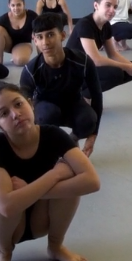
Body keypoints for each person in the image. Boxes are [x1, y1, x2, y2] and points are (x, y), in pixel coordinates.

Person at [0, 81, 100, 261]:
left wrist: (34, 191)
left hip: (38, 220)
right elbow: (6, 207)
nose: (15, 114)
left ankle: (56, 246)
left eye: (18, 104)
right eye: (4, 113)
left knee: (72, 182)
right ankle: (3, 252)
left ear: (31, 104)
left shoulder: (53, 135)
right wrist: (54, 175)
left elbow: (92, 181)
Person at [21, 13, 103, 157]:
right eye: (39, 37)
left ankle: (71, 141)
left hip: (74, 104)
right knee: (47, 113)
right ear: (34, 40)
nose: (45, 42)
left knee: (89, 120)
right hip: (45, 108)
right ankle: (51, 145)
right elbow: (23, 105)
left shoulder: (82, 61)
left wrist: (93, 135)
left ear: (63, 35)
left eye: (50, 35)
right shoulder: (31, 70)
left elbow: (96, 95)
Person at [65, 0, 132, 92]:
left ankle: (86, 95)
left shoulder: (106, 26)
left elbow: (113, 54)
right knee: (117, 73)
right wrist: (127, 66)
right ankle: (83, 97)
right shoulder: (85, 25)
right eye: (108, 5)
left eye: (115, 7)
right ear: (96, 5)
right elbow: (96, 60)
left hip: (86, 67)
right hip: (72, 72)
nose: (112, 10)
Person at [0, 0, 37, 66]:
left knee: (21, 61)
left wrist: (42, 57)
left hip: (24, 43)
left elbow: (41, 33)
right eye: (13, 5)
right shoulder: (5, 17)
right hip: (8, 44)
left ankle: (16, 56)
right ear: (9, 6)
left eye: (18, 5)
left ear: (24, 4)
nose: (16, 8)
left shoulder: (32, 15)